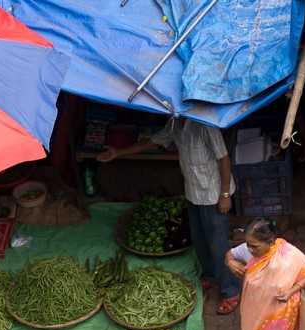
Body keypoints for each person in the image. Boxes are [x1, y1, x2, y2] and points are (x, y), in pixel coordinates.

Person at [98, 119, 240, 314]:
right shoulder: (175, 123)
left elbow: (223, 159)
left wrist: (225, 194)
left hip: (214, 194)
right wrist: (118, 152)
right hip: (193, 191)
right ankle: (211, 275)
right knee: (199, 239)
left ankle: (230, 290)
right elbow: (152, 141)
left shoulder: (205, 125)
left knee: (218, 244)